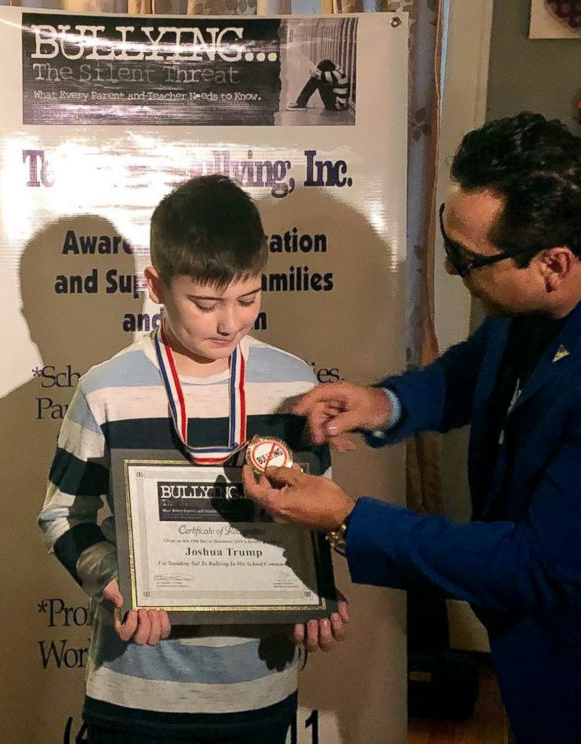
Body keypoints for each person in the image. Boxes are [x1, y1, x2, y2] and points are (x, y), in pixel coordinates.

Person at [244, 112, 581, 744]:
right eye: (446, 244)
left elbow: (539, 564)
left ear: (553, 264)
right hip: (531, 657)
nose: (453, 271)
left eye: (467, 258)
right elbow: (476, 369)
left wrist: (348, 519)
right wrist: (383, 404)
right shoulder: (527, 304)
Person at [38, 175, 348, 744]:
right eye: (205, 304)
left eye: (248, 298)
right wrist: (118, 579)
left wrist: (318, 594)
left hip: (257, 685)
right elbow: (62, 516)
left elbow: (316, 514)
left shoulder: (293, 383)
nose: (229, 322)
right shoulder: (105, 390)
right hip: (137, 687)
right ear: (156, 285)